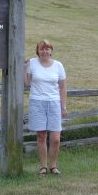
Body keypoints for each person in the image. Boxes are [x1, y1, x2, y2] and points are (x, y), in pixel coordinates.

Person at [24, 39, 67, 175]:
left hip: (54, 103)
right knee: (41, 136)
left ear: (51, 51)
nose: (44, 51)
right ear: (38, 51)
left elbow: (63, 87)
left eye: (47, 49)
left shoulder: (58, 65)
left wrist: (63, 106)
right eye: (42, 49)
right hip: (37, 102)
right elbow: (26, 82)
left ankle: (53, 166)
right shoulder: (32, 63)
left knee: (55, 138)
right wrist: (25, 68)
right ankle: (43, 166)